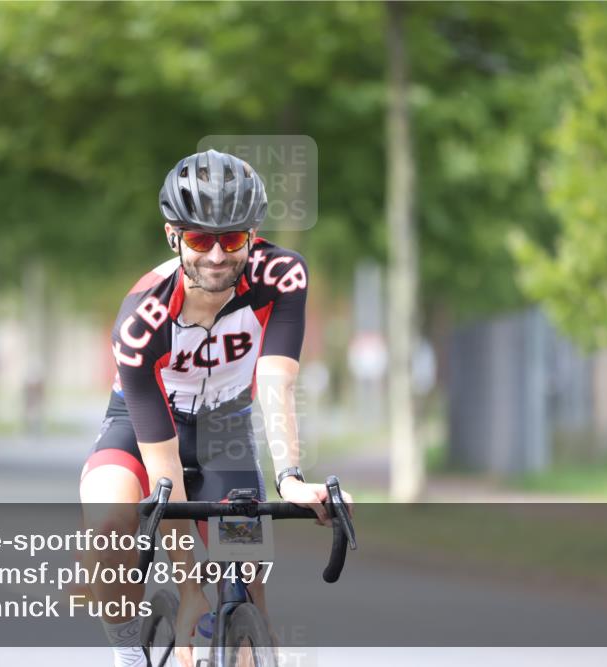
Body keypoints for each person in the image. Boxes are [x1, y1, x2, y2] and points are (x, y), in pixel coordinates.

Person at [79, 149, 352, 667]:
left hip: (224, 427)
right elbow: (162, 468)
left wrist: (291, 478)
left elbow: (275, 381)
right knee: (109, 519)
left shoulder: (283, 276)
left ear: (252, 234)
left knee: (247, 583)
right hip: (142, 428)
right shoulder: (142, 320)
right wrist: (188, 589)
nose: (218, 255)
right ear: (173, 236)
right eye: (201, 239)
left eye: (232, 239)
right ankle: (129, 655)